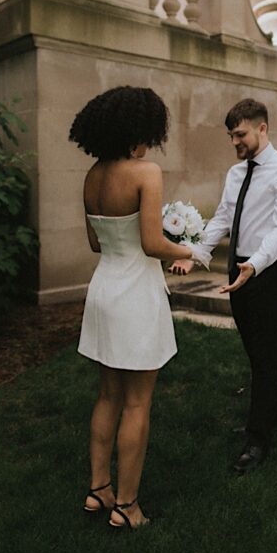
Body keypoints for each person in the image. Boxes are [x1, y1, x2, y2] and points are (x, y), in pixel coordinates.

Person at [69, 86, 207, 530]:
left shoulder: (92, 176)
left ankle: (98, 490)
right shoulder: (145, 172)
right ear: (136, 133)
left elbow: (96, 242)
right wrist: (186, 251)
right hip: (135, 295)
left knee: (107, 393)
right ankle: (127, 506)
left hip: (104, 290)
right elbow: (150, 244)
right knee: (137, 403)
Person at [170, 99, 277, 476]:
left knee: (267, 354)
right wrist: (195, 254)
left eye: (241, 134)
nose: (235, 141)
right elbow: (223, 219)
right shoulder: (235, 174)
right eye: (231, 135)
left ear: (262, 129)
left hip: (271, 270)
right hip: (239, 269)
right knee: (255, 350)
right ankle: (270, 414)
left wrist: (255, 265)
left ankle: (258, 438)